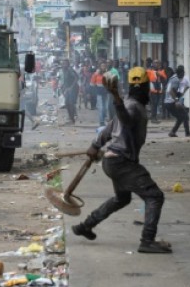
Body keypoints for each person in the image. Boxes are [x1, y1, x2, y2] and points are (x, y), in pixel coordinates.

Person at [70, 67, 171, 254]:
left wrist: (95, 145)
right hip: (122, 162)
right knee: (155, 196)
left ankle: (86, 225)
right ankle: (147, 240)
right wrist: (115, 96)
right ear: (145, 87)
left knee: (122, 198)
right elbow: (126, 120)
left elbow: (108, 129)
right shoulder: (131, 107)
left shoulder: (128, 103)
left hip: (113, 161)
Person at [166, 64, 190, 137]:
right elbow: (171, 91)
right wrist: (176, 101)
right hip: (171, 102)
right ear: (180, 73)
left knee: (181, 117)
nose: (184, 75)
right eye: (183, 73)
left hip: (167, 102)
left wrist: (179, 94)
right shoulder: (176, 80)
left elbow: (173, 90)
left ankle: (173, 132)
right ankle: (187, 133)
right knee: (185, 115)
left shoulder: (173, 78)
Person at [61, 60, 79, 124]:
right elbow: (66, 81)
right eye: (63, 64)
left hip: (73, 89)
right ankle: (71, 118)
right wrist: (63, 86)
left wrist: (71, 87)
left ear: (68, 64)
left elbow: (76, 78)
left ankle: (72, 119)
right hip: (68, 89)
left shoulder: (70, 70)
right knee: (67, 103)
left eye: (65, 64)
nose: (63, 65)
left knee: (71, 103)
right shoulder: (64, 71)